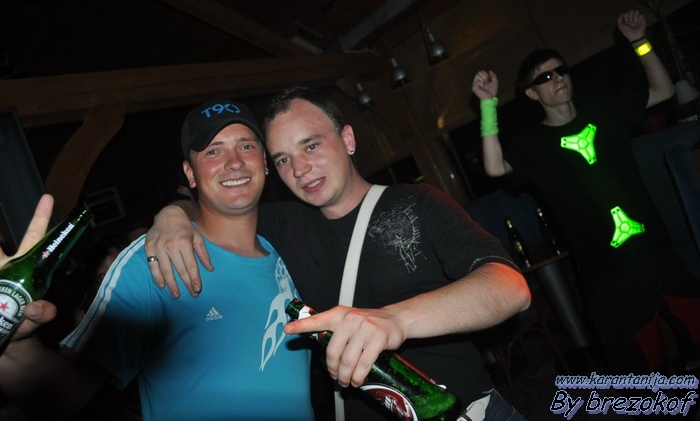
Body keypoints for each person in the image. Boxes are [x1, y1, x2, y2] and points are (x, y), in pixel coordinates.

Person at [145, 86, 532, 420]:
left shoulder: (417, 203)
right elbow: (217, 206)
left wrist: (395, 320)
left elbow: (509, 288)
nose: (300, 169)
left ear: (347, 139)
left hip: (461, 412)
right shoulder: (282, 226)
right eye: (283, 159)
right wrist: (173, 214)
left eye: (311, 146)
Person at [0, 99, 315, 421]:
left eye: (246, 146)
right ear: (190, 174)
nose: (234, 162)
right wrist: (12, 344)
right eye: (213, 151)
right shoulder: (151, 262)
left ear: (264, 161)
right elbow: (65, 393)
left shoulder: (286, 252)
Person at [471, 10, 700, 374]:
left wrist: (640, 42)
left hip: (656, 247)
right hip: (607, 269)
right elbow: (495, 167)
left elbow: (664, 90)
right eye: (545, 77)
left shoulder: (604, 110)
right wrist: (487, 105)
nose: (558, 78)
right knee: (646, 365)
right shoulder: (534, 145)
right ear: (532, 93)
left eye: (561, 70)